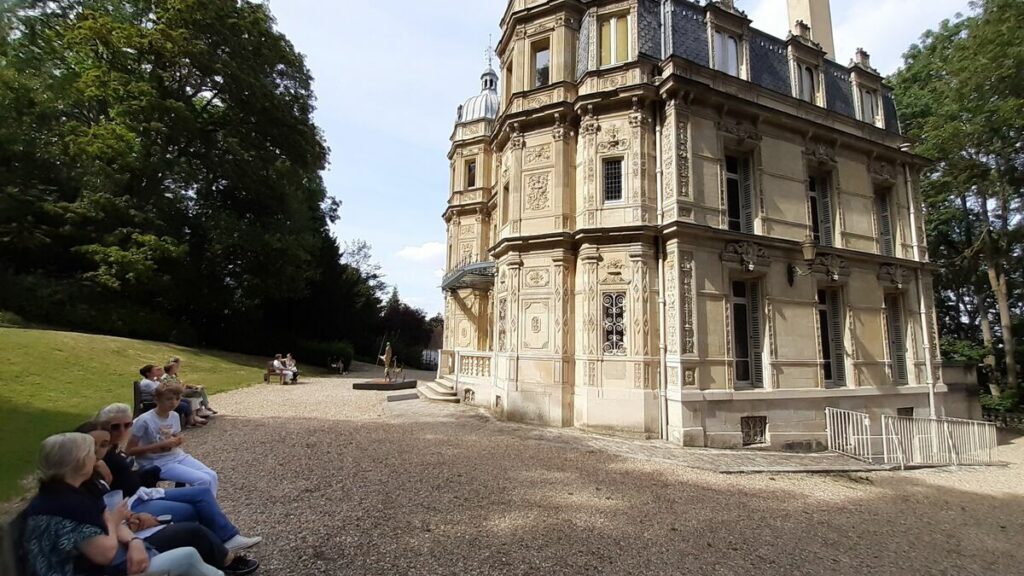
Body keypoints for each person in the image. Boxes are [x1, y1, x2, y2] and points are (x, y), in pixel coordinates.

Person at [22, 432, 225, 576]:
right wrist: (114, 521)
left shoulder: (72, 491)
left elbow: (109, 523)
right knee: (187, 556)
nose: (95, 458)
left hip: (107, 560)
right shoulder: (62, 504)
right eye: (90, 454)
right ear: (79, 461)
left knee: (188, 544)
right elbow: (105, 553)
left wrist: (134, 542)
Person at [74, 422, 259, 575]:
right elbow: (102, 538)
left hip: (131, 511)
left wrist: (129, 519)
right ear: (79, 451)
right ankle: (224, 560)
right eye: (92, 447)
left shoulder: (95, 476)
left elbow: (107, 515)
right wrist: (131, 533)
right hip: (127, 527)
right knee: (192, 523)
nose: (121, 431)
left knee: (200, 497)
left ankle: (221, 548)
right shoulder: (76, 493)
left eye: (126, 424)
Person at [95, 404, 262, 552]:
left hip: (141, 493)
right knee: (193, 508)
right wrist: (96, 461)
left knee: (203, 491)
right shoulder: (98, 450)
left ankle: (227, 537)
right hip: (130, 504)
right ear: (103, 426)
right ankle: (216, 541)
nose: (123, 431)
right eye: (115, 426)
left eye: (127, 425)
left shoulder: (112, 446)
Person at [128, 383, 219, 494]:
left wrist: (177, 441)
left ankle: (207, 507)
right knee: (202, 480)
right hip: (156, 462)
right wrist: (160, 445)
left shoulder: (174, 416)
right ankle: (197, 507)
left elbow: (174, 436)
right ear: (157, 399)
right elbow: (129, 451)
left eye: (177, 399)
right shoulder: (144, 420)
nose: (174, 403)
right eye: (169, 399)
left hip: (176, 456)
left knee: (212, 475)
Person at [140, 364, 205, 427]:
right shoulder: (147, 383)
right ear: (148, 373)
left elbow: (165, 388)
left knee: (187, 401)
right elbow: (159, 393)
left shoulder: (154, 381)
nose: (157, 371)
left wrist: (160, 379)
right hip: (153, 402)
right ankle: (186, 421)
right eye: (155, 370)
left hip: (162, 399)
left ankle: (191, 420)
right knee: (183, 405)